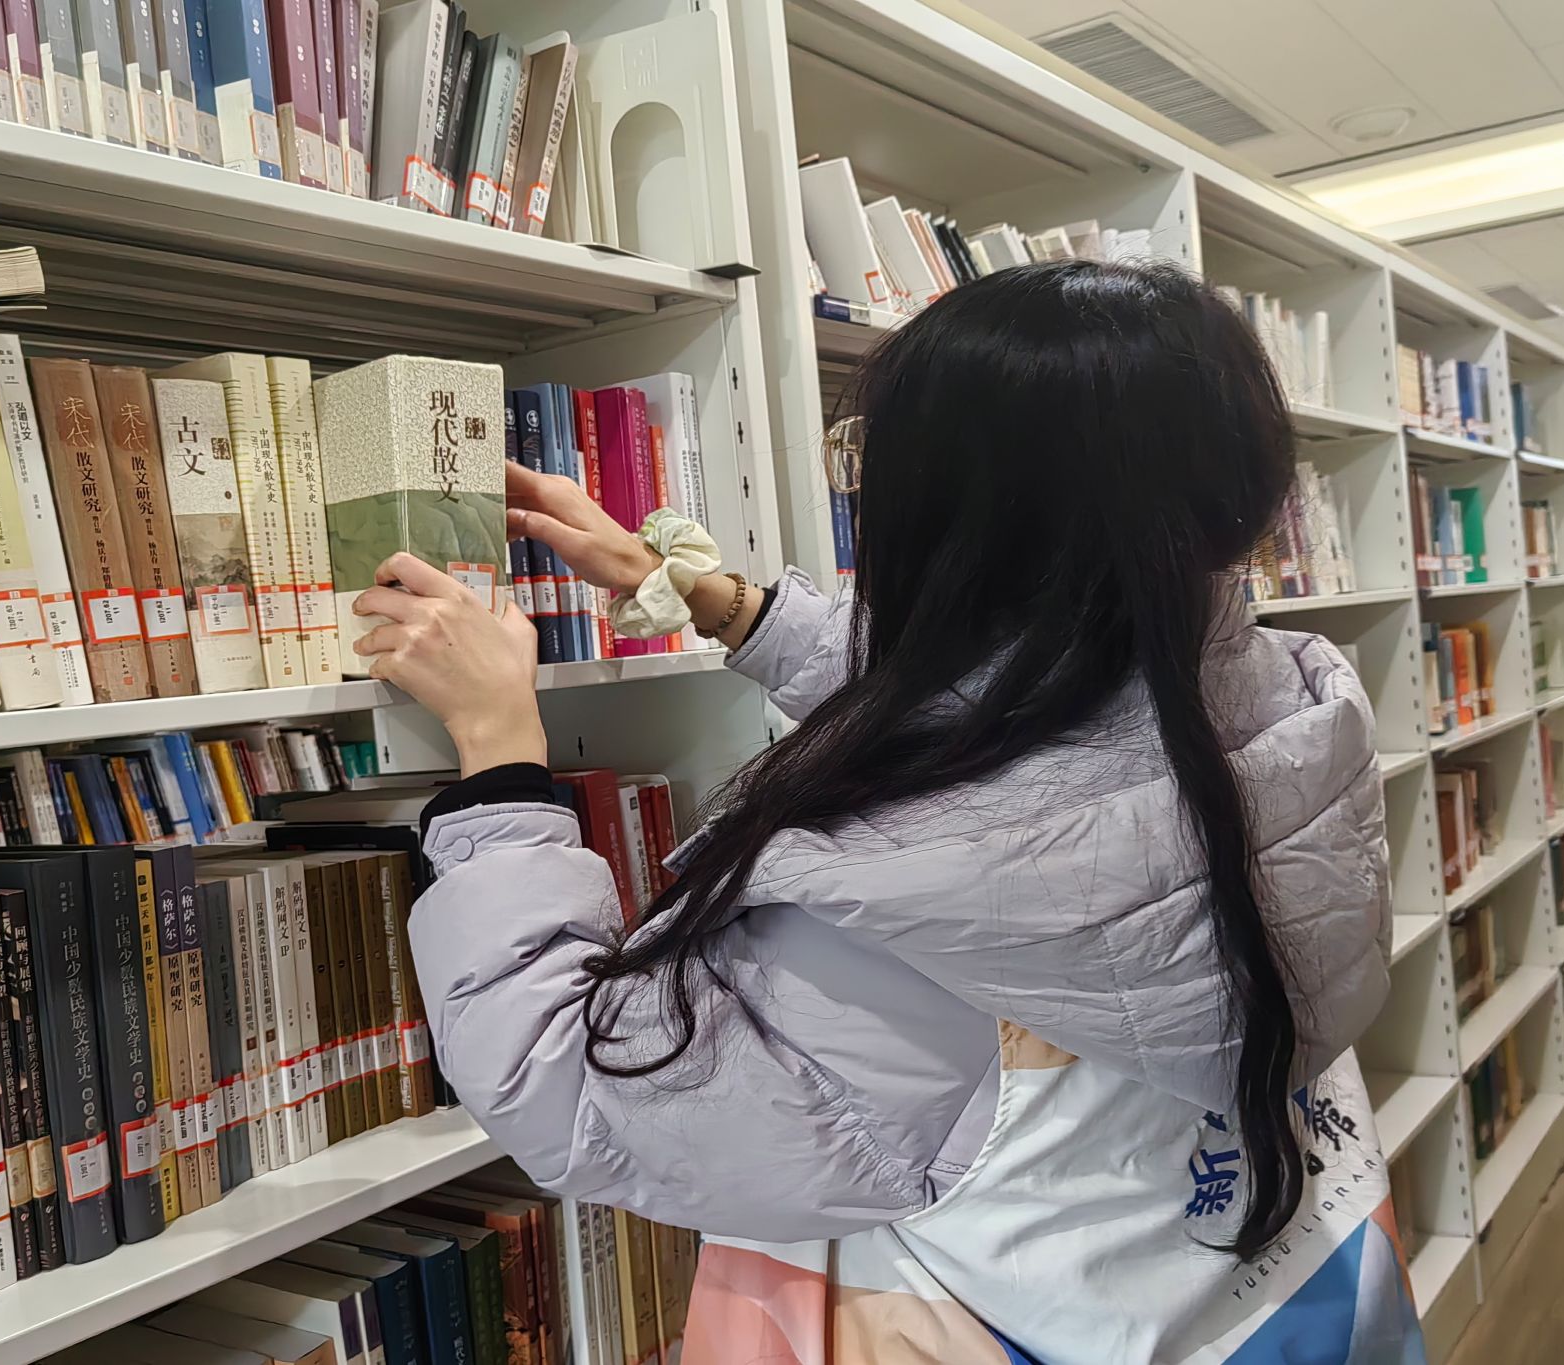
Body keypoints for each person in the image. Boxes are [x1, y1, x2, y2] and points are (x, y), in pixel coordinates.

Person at [354, 259, 1417, 1364]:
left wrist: (498, 758)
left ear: (954, 518)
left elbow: (566, 1088)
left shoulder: (896, 930)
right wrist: (706, 598)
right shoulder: (1273, 700)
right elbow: (1018, 715)